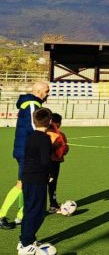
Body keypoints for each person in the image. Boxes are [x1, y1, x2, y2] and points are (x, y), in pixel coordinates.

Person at [0, 81, 49, 230]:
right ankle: (1, 215)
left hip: (24, 149)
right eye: (47, 91)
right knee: (21, 183)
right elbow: (36, 126)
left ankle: (22, 215)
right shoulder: (32, 104)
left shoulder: (30, 102)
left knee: (24, 182)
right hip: (26, 152)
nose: (48, 94)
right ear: (39, 91)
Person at [18, 107, 53, 254]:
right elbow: (45, 161)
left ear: (34, 121)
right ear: (50, 121)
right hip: (37, 178)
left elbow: (27, 158)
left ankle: (26, 240)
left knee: (29, 209)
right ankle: (26, 244)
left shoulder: (30, 136)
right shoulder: (45, 139)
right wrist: (49, 175)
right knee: (37, 212)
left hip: (27, 177)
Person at [46, 113, 69, 214]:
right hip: (54, 162)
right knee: (52, 183)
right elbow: (64, 150)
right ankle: (53, 205)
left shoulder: (43, 132)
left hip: (41, 162)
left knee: (41, 183)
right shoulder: (60, 135)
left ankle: (38, 207)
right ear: (58, 123)